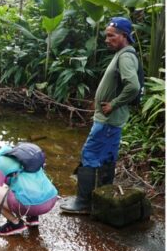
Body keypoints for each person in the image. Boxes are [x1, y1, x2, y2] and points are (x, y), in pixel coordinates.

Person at [61, 17, 142, 214]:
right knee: (107, 158)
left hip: (108, 121)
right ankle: (102, 198)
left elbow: (133, 86)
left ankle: (83, 203)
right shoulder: (124, 54)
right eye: (106, 36)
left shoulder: (125, 56)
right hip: (111, 121)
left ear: (124, 36)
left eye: (111, 36)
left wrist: (113, 104)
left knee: (89, 155)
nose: (107, 39)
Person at [0, 141, 58, 236]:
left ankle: (14, 223)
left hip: (30, 205)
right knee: (25, 182)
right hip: (51, 199)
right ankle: (33, 218)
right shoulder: (20, 155)